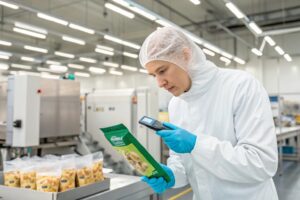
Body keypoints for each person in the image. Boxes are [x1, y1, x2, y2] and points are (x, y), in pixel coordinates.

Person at [139, 27, 278, 200]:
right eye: (154, 75)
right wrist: (173, 173)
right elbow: (185, 162)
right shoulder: (176, 104)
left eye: (162, 71)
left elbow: (261, 163)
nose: (160, 83)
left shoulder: (241, 86)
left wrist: (197, 145)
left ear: (185, 55)